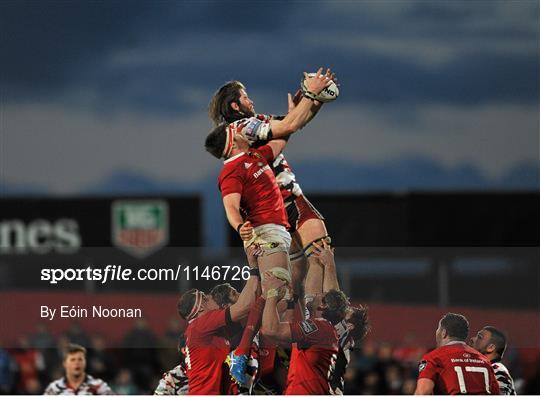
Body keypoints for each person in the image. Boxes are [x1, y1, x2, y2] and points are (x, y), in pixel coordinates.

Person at [207, 71, 335, 315]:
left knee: (295, 280)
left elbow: (295, 123)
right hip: (285, 200)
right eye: (245, 97)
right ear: (235, 105)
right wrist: (310, 93)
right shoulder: (244, 126)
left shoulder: (252, 124)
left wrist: (315, 101)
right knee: (320, 256)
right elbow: (291, 124)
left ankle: (303, 331)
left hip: (274, 213)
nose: (251, 101)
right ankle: (324, 326)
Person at [176, 247, 260, 395]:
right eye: (206, 297)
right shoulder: (201, 324)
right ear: (200, 307)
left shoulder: (202, 330)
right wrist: (253, 268)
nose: (211, 297)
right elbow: (244, 306)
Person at [261, 271, 349, 395]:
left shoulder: (318, 328)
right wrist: (290, 301)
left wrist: (272, 292)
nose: (314, 295)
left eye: (318, 295)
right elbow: (282, 335)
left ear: (323, 306)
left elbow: (271, 330)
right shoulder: (323, 330)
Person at [414, 313, 500, 395]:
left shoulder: (434, 357)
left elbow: (422, 393)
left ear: (444, 333)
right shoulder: (485, 360)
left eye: (438, 329)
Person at [44, 343, 113, 395]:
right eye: (72, 360)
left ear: (85, 363)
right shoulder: (54, 388)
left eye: (80, 359)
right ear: (65, 364)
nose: (77, 363)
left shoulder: (99, 386)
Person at [471, 326, 517, 395]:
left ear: (490, 347)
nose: (472, 339)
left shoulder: (498, 371)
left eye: (479, 337)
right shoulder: (480, 368)